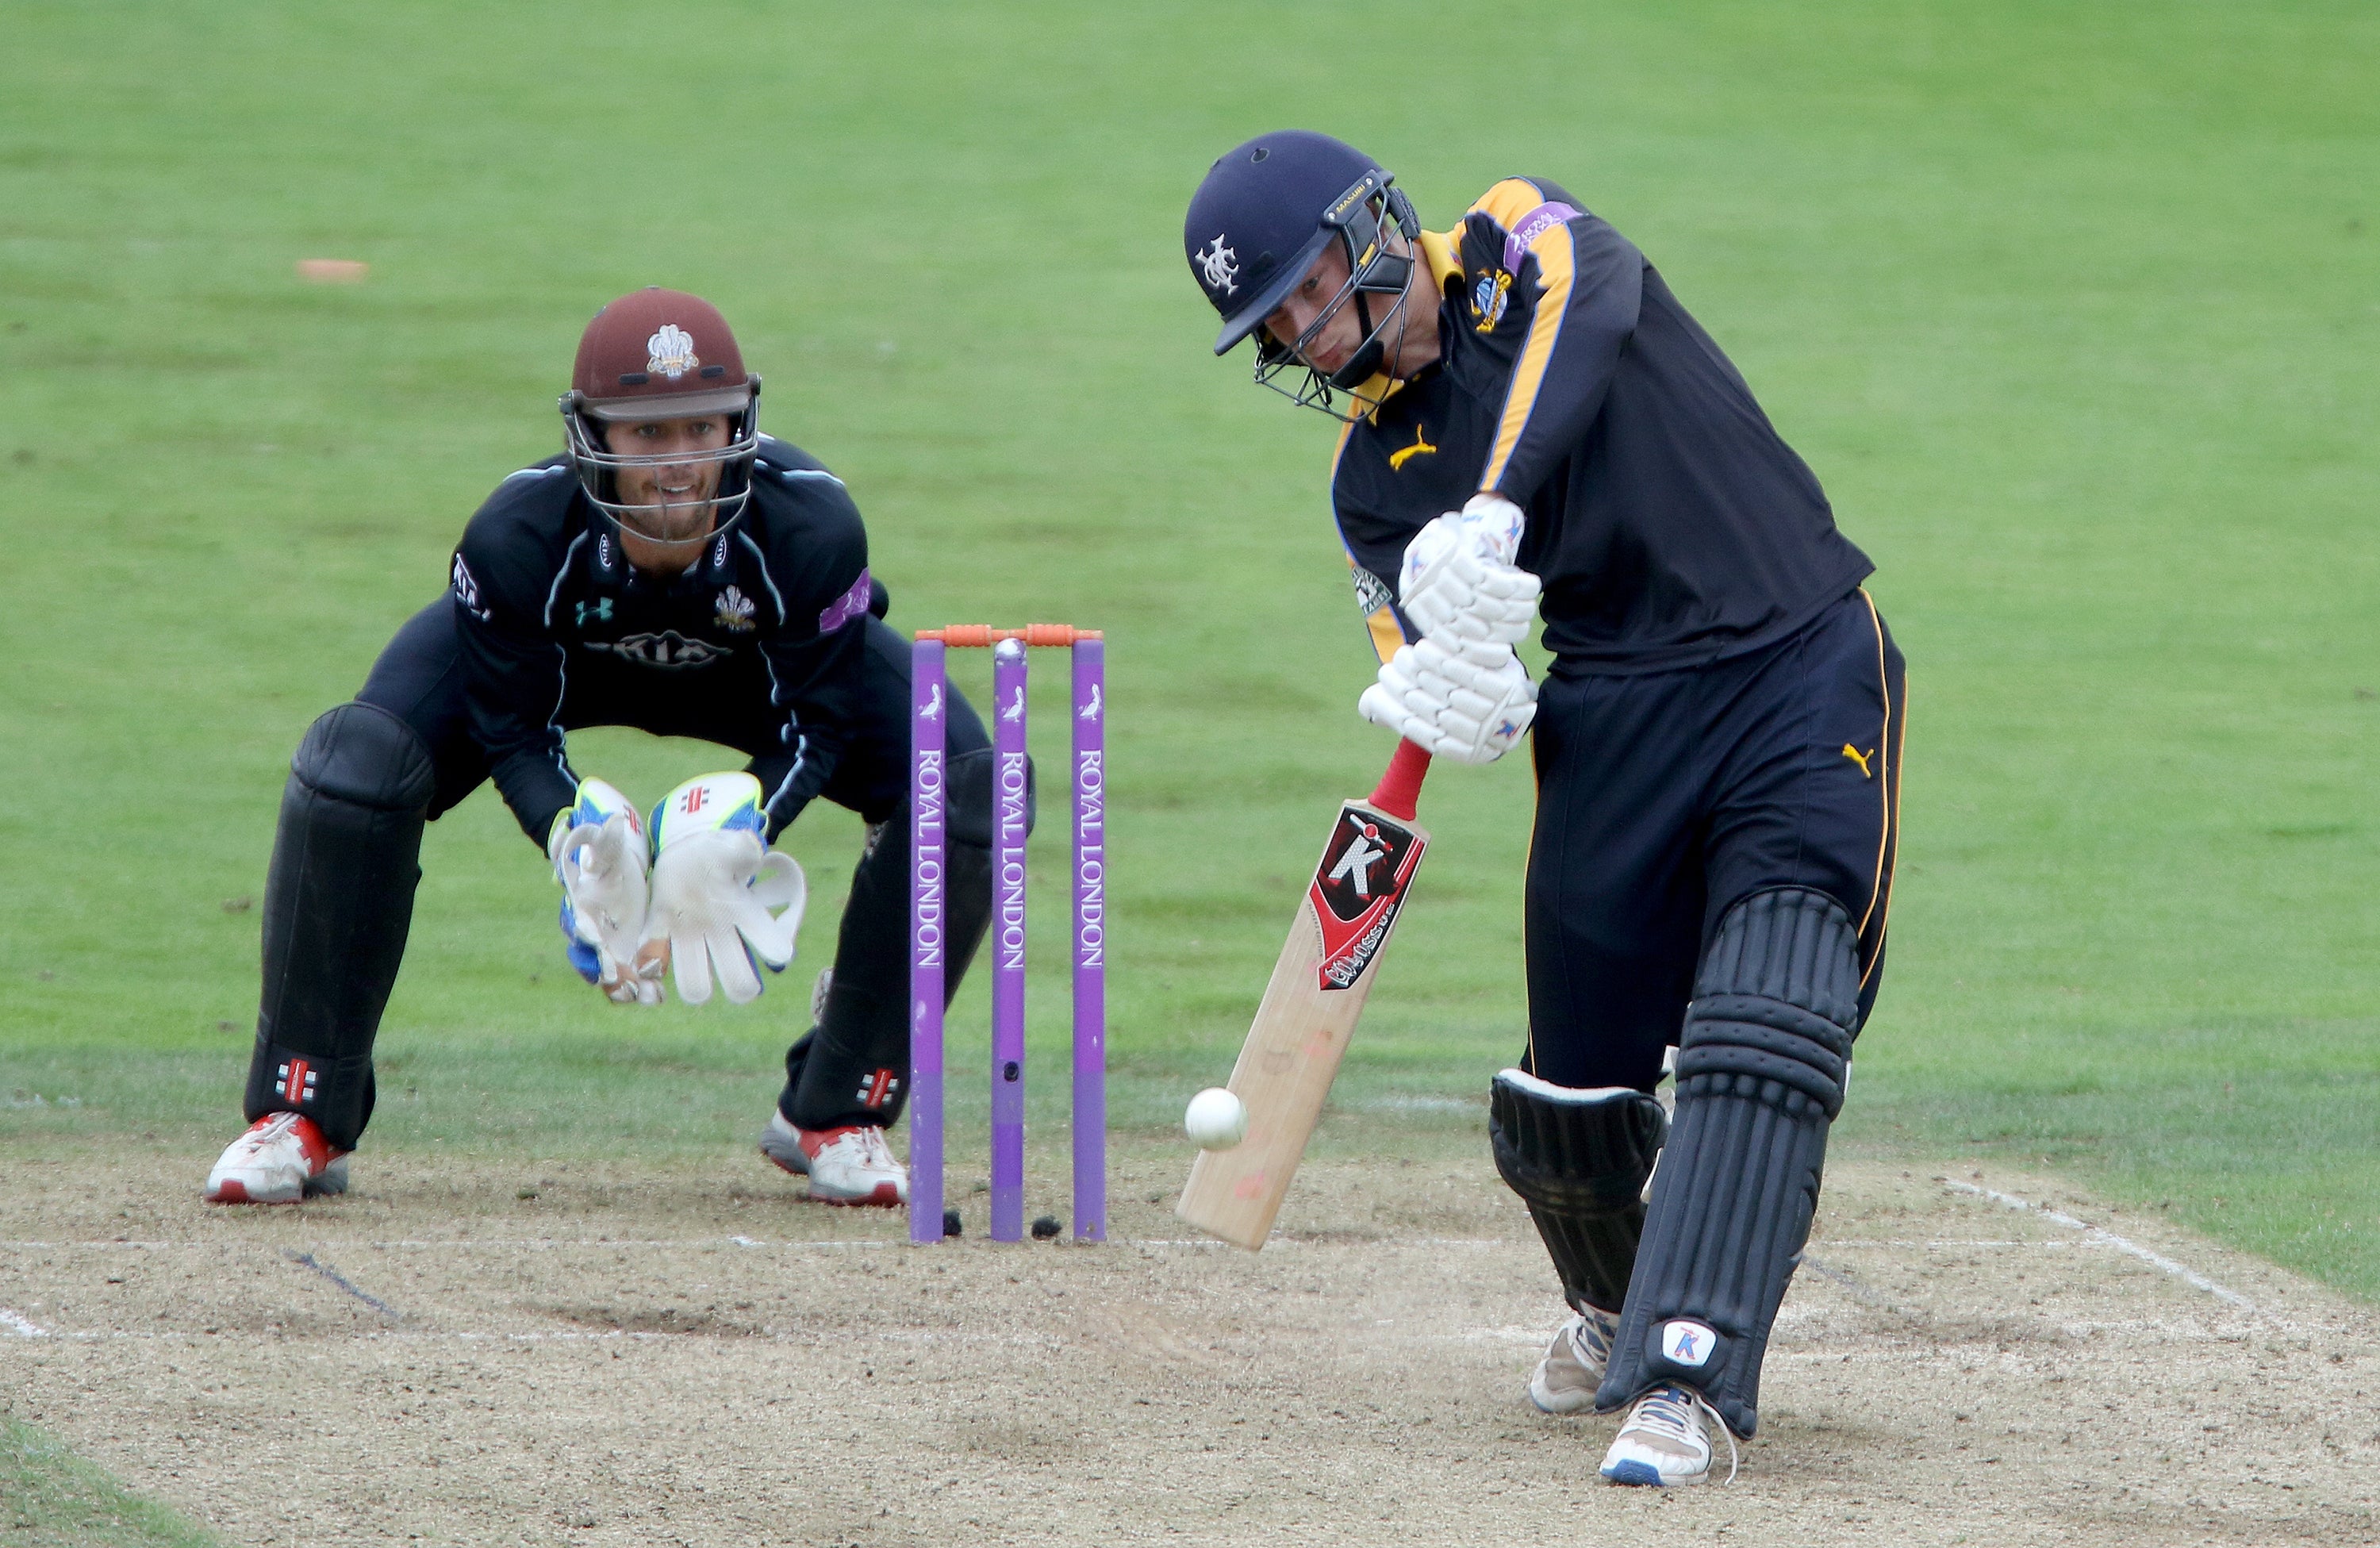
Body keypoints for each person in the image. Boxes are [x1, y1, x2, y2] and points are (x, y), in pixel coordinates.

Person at [1183, 133, 1904, 1485]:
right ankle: (1614, 1303)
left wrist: (1497, 508)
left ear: (1376, 224)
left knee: (1767, 1016)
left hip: (1791, 656)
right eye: (1270, 318)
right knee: (1561, 1107)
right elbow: (1422, 657)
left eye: (1306, 283)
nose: (1300, 326)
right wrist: (1469, 690)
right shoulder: (1371, 483)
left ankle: (1688, 1375)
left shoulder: (1516, 249)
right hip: (1614, 714)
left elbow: (1601, 301)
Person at [204, 287, 1005, 1211]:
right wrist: (570, 834)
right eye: (647, 435)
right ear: (592, 438)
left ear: (740, 422)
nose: (681, 463)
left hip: (755, 672)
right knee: (354, 766)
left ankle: (838, 1106)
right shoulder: (518, 538)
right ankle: (300, 1111)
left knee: (969, 785)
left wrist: (743, 827)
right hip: (564, 660)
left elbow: (816, 727)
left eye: (702, 427)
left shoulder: (811, 530)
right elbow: (508, 726)